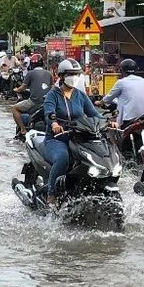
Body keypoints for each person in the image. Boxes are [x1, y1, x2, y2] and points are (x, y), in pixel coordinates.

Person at [42, 60, 102, 204]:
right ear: (62, 76)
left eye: (76, 74)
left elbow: (94, 114)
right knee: (63, 158)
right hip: (57, 138)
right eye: (70, 74)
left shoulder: (81, 95)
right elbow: (48, 113)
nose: (74, 77)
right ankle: (52, 194)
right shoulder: (53, 95)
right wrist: (54, 123)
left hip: (79, 138)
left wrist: (108, 122)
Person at [96, 58, 144, 154]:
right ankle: (140, 159)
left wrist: (99, 103)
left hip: (128, 118)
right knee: (139, 139)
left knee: (124, 141)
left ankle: (128, 160)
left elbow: (108, 98)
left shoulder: (121, 82)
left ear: (122, 70)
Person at [12, 53, 53, 135]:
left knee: (14, 108)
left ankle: (23, 129)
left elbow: (23, 87)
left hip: (34, 102)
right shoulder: (49, 73)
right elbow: (52, 87)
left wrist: (16, 90)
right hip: (47, 102)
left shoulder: (30, 73)